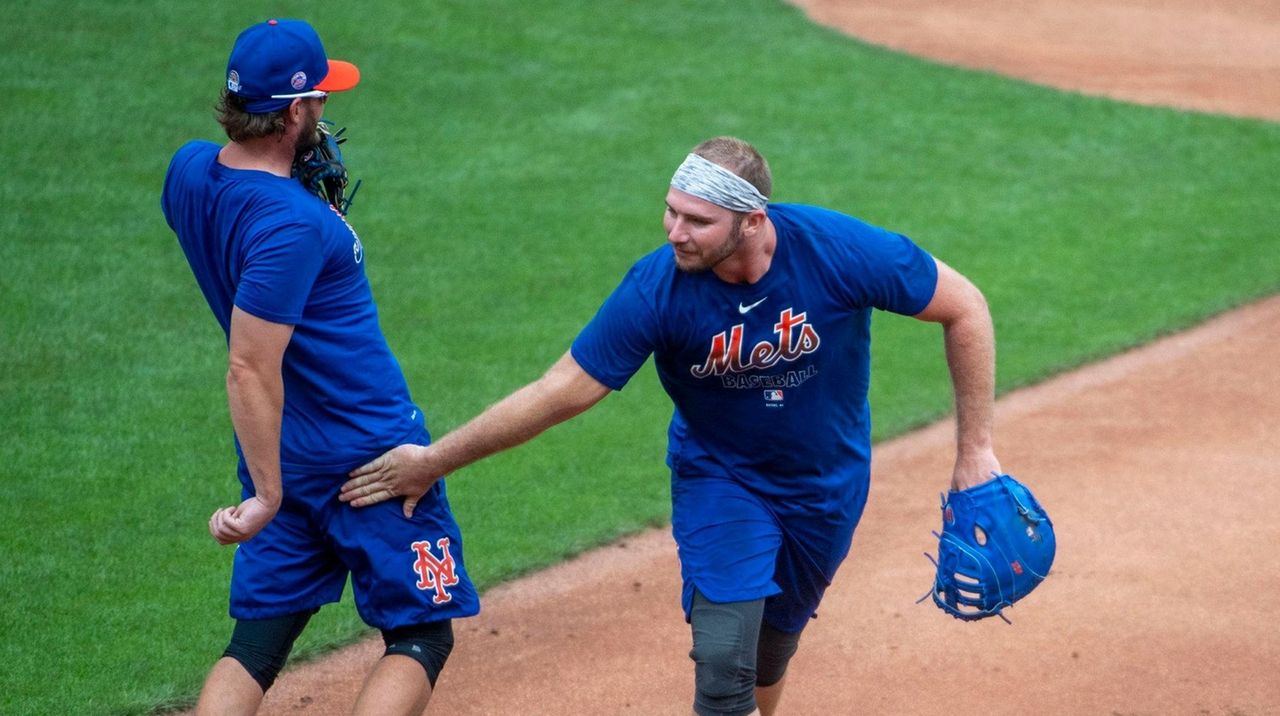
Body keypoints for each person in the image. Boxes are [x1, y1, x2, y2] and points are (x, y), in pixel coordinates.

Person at [339, 136, 1002, 716]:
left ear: (751, 220)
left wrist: (975, 452)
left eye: (697, 221)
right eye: (671, 210)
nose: (674, 231)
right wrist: (434, 460)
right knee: (722, 660)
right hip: (723, 478)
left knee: (772, 648)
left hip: (826, 486)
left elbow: (964, 307)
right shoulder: (656, 288)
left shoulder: (837, 250)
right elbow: (560, 390)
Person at [160, 18, 478, 716]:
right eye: (320, 100)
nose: (327, 112)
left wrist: (271, 483)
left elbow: (237, 209)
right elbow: (249, 365)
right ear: (295, 110)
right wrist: (267, 499)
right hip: (369, 453)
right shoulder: (295, 225)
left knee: (256, 644)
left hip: (279, 447)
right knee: (422, 634)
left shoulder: (187, 171)